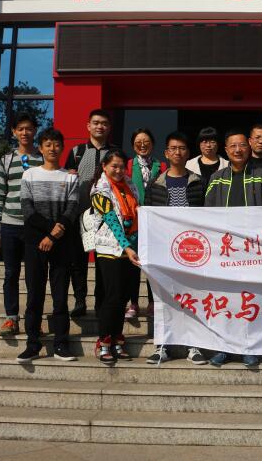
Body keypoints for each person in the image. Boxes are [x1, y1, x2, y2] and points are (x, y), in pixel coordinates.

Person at [205, 129, 262, 367]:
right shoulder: (216, 178)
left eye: (242, 145)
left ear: (249, 147)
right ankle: (223, 348)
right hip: (224, 252)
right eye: (233, 146)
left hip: (253, 251)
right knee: (226, 300)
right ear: (225, 150)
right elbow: (207, 215)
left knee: (251, 300)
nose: (238, 150)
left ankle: (250, 348)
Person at [17, 128, 80, 363]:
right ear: (41, 148)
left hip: (62, 243)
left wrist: (53, 236)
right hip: (35, 242)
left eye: (56, 144)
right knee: (34, 295)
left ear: (62, 148)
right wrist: (49, 231)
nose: (52, 148)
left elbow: (72, 209)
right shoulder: (29, 175)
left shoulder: (70, 177)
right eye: (48, 144)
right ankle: (32, 344)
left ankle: (61, 344)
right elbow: (27, 210)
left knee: (60, 295)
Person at [145, 132, 208, 366]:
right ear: (166, 153)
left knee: (193, 296)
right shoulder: (156, 184)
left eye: (182, 148)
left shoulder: (199, 182)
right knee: (163, 298)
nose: (178, 152)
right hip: (164, 249)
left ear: (188, 153)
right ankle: (163, 346)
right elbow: (149, 218)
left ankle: (194, 345)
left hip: (193, 249)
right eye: (173, 148)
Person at [0, 113, 44, 337]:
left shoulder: (43, 158)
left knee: (35, 276)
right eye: (20, 129)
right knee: (11, 273)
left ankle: (33, 320)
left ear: (35, 131)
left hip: (35, 226)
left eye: (29, 128)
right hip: (10, 224)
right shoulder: (6, 160)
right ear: (14, 132)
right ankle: (11, 318)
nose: (25, 132)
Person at [90, 149, 142, 365]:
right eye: (114, 166)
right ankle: (104, 340)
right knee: (111, 296)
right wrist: (127, 247)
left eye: (122, 166)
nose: (119, 170)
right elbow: (112, 221)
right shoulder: (99, 189)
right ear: (104, 166)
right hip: (110, 248)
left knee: (122, 297)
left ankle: (117, 337)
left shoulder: (130, 185)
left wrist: (135, 245)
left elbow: (137, 212)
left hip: (130, 248)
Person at [63, 109, 116, 318]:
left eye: (104, 123)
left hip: (107, 216)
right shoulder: (76, 151)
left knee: (104, 259)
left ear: (109, 127)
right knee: (78, 260)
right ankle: (80, 300)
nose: (99, 126)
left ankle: (101, 301)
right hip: (80, 214)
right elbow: (67, 183)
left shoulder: (115, 153)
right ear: (88, 126)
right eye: (96, 122)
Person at [125, 128, 168, 318]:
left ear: (153, 144)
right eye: (138, 142)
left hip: (154, 222)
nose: (142, 145)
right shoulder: (128, 165)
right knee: (133, 265)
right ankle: (133, 303)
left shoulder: (162, 166)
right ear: (133, 145)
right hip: (133, 221)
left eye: (146, 142)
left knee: (152, 264)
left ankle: (152, 302)